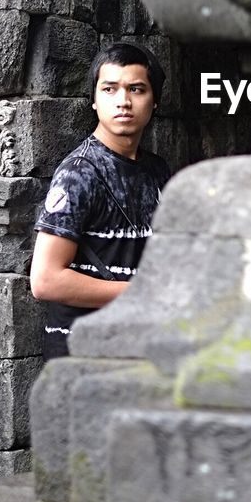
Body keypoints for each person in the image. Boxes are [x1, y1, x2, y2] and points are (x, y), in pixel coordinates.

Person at [29, 42, 172, 360]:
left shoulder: (156, 170)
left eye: (136, 89)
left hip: (137, 348)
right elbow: (45, 280)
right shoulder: (79, 173)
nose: (123, 101)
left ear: (155, 101)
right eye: (109, 89)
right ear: (94, 100)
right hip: (82, 355)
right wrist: (140, 294)